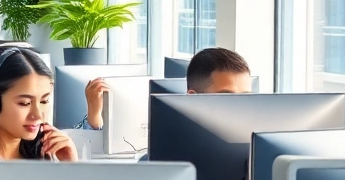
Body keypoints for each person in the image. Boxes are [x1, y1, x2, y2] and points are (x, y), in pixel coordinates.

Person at [79, 47, 252, 131]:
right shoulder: (167, 147)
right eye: (226, 96)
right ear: (193, 97)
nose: (239, 106)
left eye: (245, 97)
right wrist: (95, 118)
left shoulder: (255, 143)